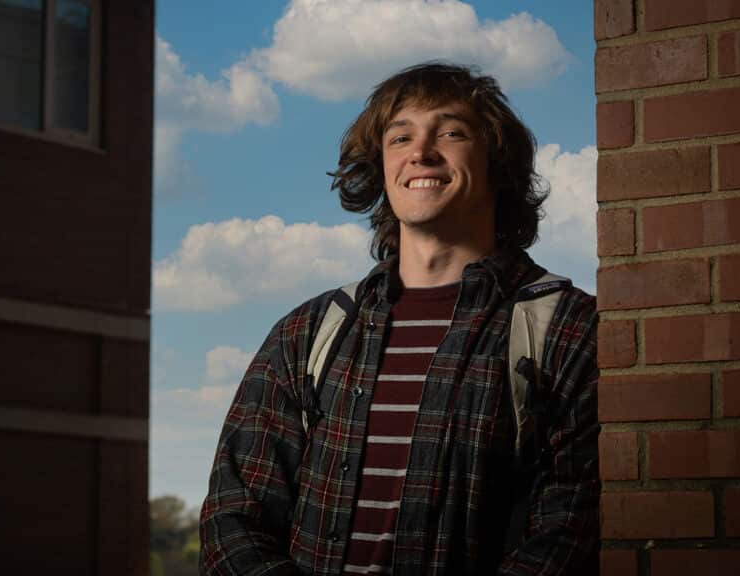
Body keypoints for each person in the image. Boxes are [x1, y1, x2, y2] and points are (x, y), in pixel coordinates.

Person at [198, 63, 599, 575]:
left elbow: (569, 532)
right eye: (400, 137)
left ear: (498, 162)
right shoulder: (307, 333)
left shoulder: (566, 330)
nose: (421, 152)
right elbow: (234, 517)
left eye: (451, 132)